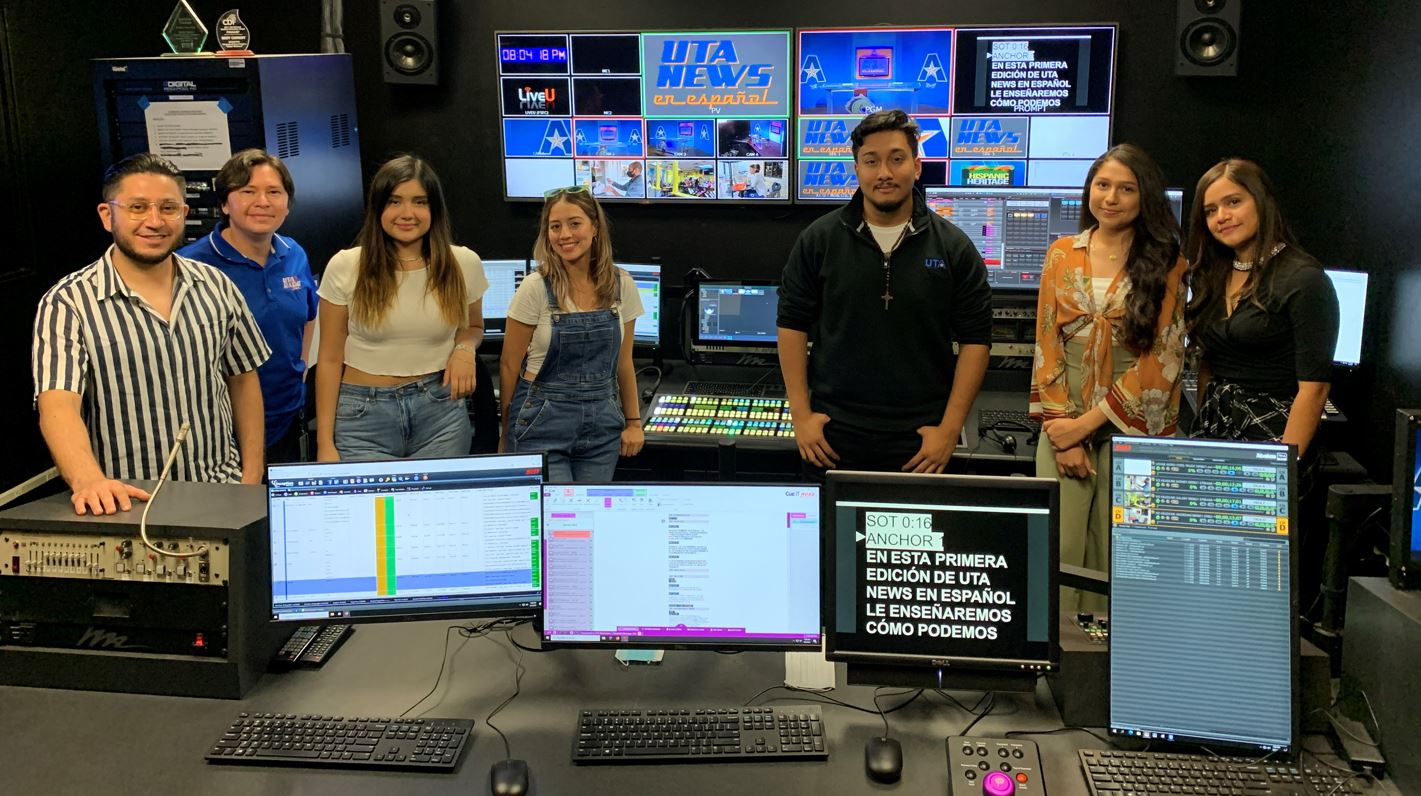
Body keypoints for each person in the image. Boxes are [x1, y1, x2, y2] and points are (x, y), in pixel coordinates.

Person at [32, 153, 270, 515]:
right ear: (106, 215)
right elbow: (58, 405)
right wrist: (87, 480)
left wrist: (250, 480)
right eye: (137, 207)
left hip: (222, 492)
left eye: (168, 208)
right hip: (127, 503)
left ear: (185, 215)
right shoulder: (69, 302)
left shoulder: (217, 286)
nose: (154, 221)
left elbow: (244, 380)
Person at [777, 109, 992, 477]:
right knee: (830, 536)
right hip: (832, 435)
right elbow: (791, 325)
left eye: (897, 159)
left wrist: (950, 430)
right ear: (857, 168)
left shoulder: (954, 247)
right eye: (871, 161)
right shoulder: (819, 240)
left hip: (922, 441)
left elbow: (976, 340)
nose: (884, 173)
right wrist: (801, 417)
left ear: (917, 166)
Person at [1029, 143, 1189, 610]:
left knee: (1119, 555)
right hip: (1063, 426)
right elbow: (1046, 341)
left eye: (1126, 188)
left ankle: (1104, 670)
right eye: (1103, 186)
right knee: (1058, 549)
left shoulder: (1168, 261)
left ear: (1146, 197)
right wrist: (1065, 433)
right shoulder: (1062, 253)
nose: (1111, 198)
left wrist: (1088, 425)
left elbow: (1162, 361)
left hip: (1136, 425)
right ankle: (1053, 669)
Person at [314, 155, 487, 461]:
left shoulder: (463, 264)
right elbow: (328, 358)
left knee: (440, 508)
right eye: (395, 201)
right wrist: (324, 443)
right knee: (374, 510)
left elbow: (472, 327)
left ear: (434, 208)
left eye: (419, 202)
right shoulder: (346, 266)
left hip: (440, 411)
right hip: (362, 417)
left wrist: (464, 350)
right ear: (378, 207)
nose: (408, 213)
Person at [1185, 158, 1339, 475]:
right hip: (1214, 432)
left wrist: (1280, 470)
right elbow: (1208, 365)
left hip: (1274, 440)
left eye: (1233, 202)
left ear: (1262, 200)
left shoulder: (1304, 278)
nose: (1221, 217)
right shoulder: (1211, 275)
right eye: (1210, 210)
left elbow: (1314, 390)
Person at [178, 149, 316, 464]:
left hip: (286, 417)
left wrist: (301, 369)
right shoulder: (191, 266)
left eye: (274, 192)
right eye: (248, 192)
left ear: (287, 204)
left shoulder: (294, 254)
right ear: (225, 204)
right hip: (222, 428)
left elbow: (308, 316)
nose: (262, 202)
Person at [500, 186, 645, 481]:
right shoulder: (535, 287)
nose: (564, 234)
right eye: (555, 227)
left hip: (603, 426)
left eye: (574, 223)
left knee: (588, 521)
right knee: (555, 521)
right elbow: (509, 365)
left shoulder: (622, 285)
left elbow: (624, 363)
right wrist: (506, 434)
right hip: (540, 425)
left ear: (594, 227)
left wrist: (633, 422)